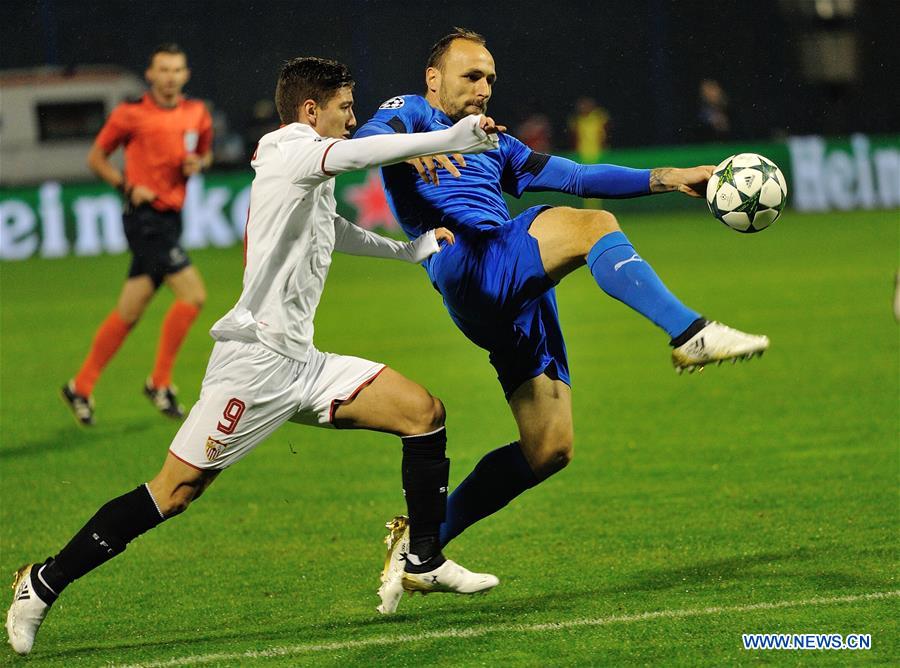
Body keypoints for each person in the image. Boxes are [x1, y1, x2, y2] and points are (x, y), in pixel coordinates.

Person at [6, 56, 504, 656]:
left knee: (423, 412)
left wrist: (408, 251)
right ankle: (42, 583)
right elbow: (356, 157)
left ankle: (423, 556)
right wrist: (453, 138)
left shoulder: (307, 172)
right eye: (346, 108)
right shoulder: (291, 150)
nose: (354, 118)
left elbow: (335, 228)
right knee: (174, 492)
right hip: (253, 366)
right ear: (310, 110)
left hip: (305, 363)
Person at [355, 28, 770, 612]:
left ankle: (420, 544)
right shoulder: (408, 114)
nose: (483, 88)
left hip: (513, 295)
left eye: (490, 79)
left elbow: (573, 176)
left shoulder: (494, 144)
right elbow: (364, 141)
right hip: (468, 262)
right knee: (592, 226)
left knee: (549, 447)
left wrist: (665, 176)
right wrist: (422, 140)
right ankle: (689, 332)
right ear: (433, 79)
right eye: (470, 76)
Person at [62, 43, 213, 425]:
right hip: (144, 218)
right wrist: (127, 186)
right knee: (193, 296)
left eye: (176, 70)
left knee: (130, 310)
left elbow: (205, 153)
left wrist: (200, 162)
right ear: (150, 74)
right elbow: (96, 158)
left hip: (171, 218)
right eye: (163, 69)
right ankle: (160, 382)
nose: (169, 77)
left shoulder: (197, 113)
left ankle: (80, 386)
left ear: (186, 75)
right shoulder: (130, 114)